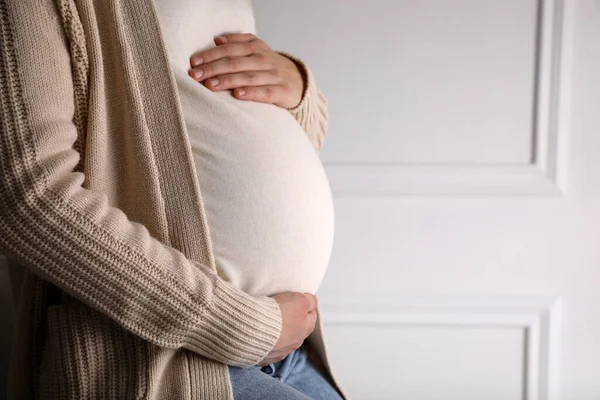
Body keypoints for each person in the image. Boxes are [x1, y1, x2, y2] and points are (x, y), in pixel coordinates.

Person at [0, 0, 349, 398]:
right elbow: (26, 195)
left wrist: (298, 95)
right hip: (160, 360)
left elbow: (212, 122)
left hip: (288, 348)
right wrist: (235, 325)